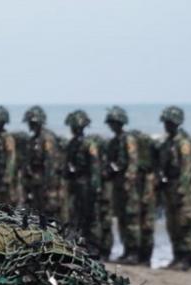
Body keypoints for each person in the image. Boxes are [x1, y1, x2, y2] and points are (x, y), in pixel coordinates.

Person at [157, 106, 191, 271]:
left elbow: (187, 169)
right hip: (170, 187)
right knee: (173, 224)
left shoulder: (183, 143)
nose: (166, 125)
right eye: (165, 123)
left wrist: (183, 190)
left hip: (183, 188)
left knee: (186, 223)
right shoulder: (167, 143)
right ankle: (178, 256)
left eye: (169, 122)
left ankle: (190, 258)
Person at [102, 106, 144, 264]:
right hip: (117, 184)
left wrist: (129, 181)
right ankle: (127, 250)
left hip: (128, 185)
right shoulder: (114, 141)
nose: (112, 126)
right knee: (121, 219)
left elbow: (133, 162)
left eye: (114, 122)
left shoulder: (128, 139)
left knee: (132, 218)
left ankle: (134, 251)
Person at [61, 110, 104, 257]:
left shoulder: (89, 144)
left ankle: (94, 247)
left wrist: (96, 188)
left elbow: (95, 167)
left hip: (87, 183)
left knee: (90, 216)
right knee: (76, 215)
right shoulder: (72, 143)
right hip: (76, 183)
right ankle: (80, 244)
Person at [19, 106, 61, 219]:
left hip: (46, 182)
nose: (31, 125)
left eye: (33, 123)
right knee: (36, 212)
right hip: (35, 181)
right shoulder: (33, 140)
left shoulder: (47, 138)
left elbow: (50, 162)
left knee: (49, 212)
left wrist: (49, 186)